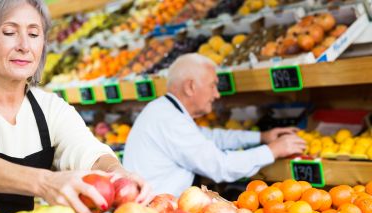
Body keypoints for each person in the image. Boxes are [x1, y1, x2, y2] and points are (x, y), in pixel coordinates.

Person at [0, 0, 150, 213]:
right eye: (9, 32)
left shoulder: (50, 108)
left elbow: (88, 151)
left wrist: (120, 176)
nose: (24, 46)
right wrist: (45, 182)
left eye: (34, 35)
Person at [123, 53, 306, 197]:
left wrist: (261, 137)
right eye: (213, 85)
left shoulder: (165, 110)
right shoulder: (168, 120)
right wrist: (272, 150)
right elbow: (220, 166)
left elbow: (209, 137)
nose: (217, 94)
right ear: (190, 87)